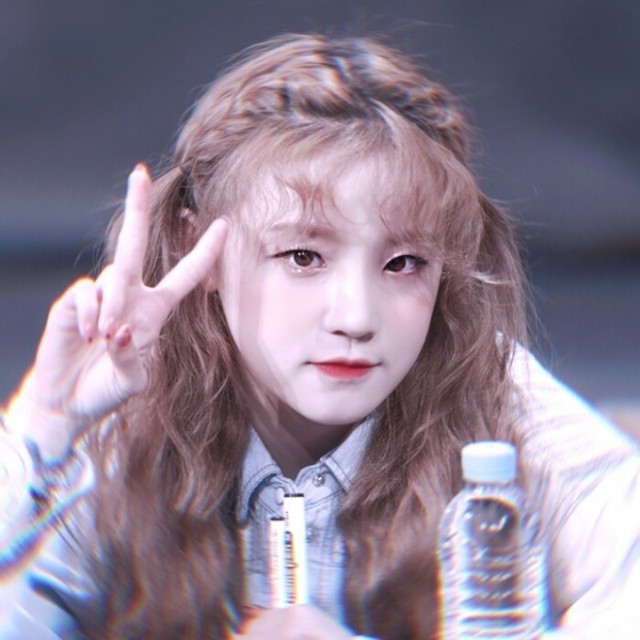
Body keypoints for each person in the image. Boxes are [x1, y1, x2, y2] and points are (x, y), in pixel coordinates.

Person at [0, 32, 638, 639]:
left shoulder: (494, 400)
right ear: (201, 250)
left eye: (404, 264)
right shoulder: (121, 414)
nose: (355, 318)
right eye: (303, 257)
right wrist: (40, 430)